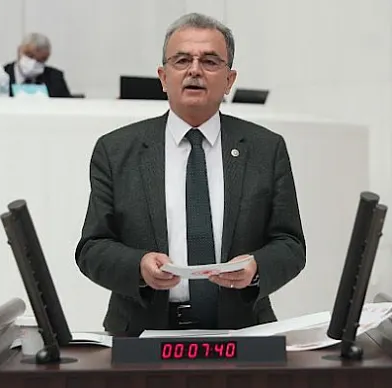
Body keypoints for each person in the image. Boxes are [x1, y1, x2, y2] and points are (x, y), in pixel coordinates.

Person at [75, 13, 305, 336]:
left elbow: (291, 244)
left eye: (210, 61)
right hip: (141, 335)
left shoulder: (265, 149)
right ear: (163, 77)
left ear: (229, 80)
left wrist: (256, 268)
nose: (194, 70)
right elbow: (92, 248)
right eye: (182, 60)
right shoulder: (116, 151)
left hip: (241, 333)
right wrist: (139, 267)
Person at [0, 33, 72, 97]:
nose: (33, 63)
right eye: (29, 55)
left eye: (40, 60)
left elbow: (68, 109)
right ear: (19, 51)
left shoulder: (55, 79)